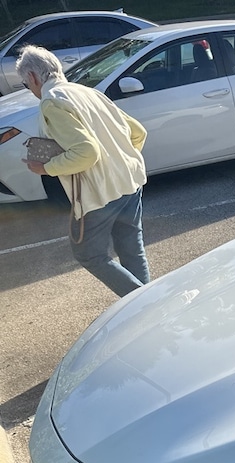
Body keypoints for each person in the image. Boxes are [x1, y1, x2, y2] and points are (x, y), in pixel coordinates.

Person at [17, 45, 150, 297]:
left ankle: (145, 305)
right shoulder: (88, 92)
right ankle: (148, 302)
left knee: (88, 253)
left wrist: (46, 168)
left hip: (99, 193)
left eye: (26, 84)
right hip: (130, 181)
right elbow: (138, 132)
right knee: (132, 248)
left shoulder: (52, 102)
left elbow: (87, 153)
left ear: (33, 77)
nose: (30, 89)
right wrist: (119, 161)